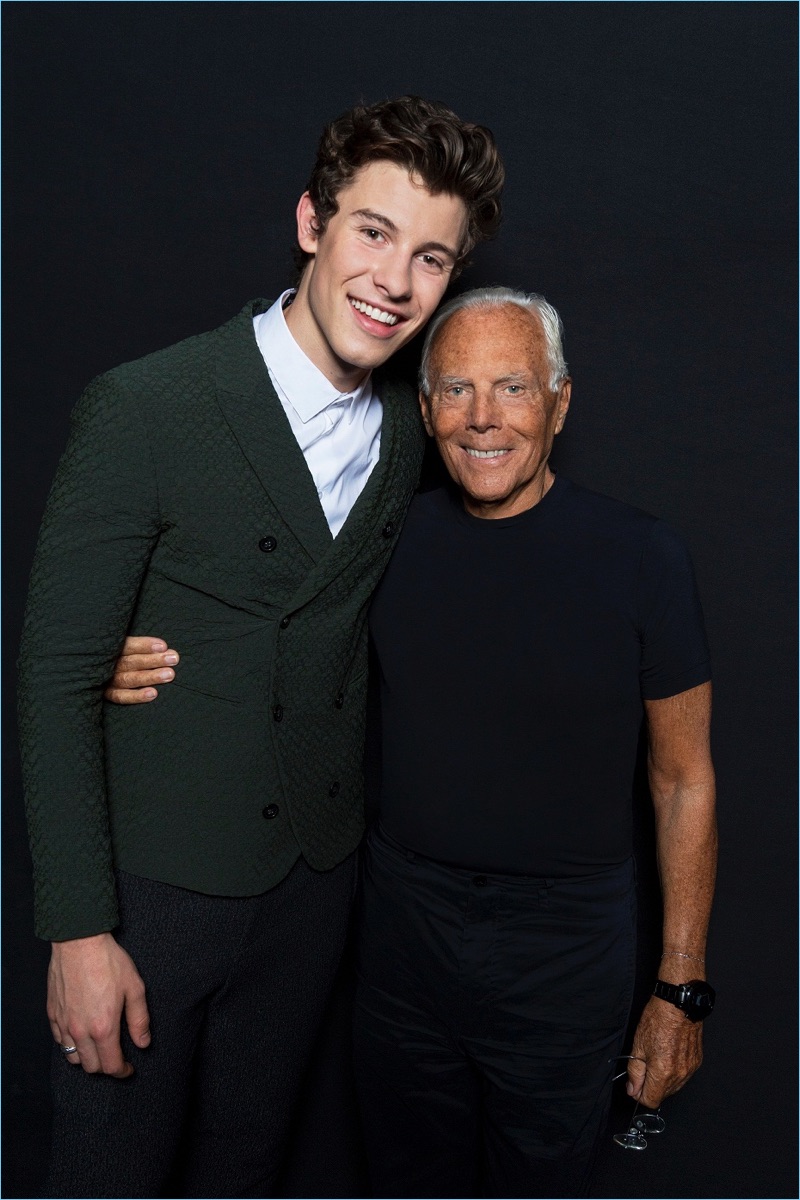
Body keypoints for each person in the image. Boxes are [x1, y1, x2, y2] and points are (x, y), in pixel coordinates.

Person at [110, 288, 717, 1198]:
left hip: (565, 950)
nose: (484, 418)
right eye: (457, 389)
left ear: (559, 401)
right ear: (426, 408)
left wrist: (679, 990)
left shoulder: (643, 557)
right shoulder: (384, 540)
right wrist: (128, 654)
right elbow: (268, 635)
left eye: (512, 387)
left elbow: (682, 781)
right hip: (401, 940)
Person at [17, 96, 504, 1198]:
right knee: (108, 1175)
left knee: (246, 1171)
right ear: (310, 224)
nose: (393, 277)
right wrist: (78, 933)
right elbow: (52, 677)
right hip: (152, 893)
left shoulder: (408, 442)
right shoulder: (147, 406)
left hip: (310, 892)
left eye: (430, 257)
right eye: (372, 233)